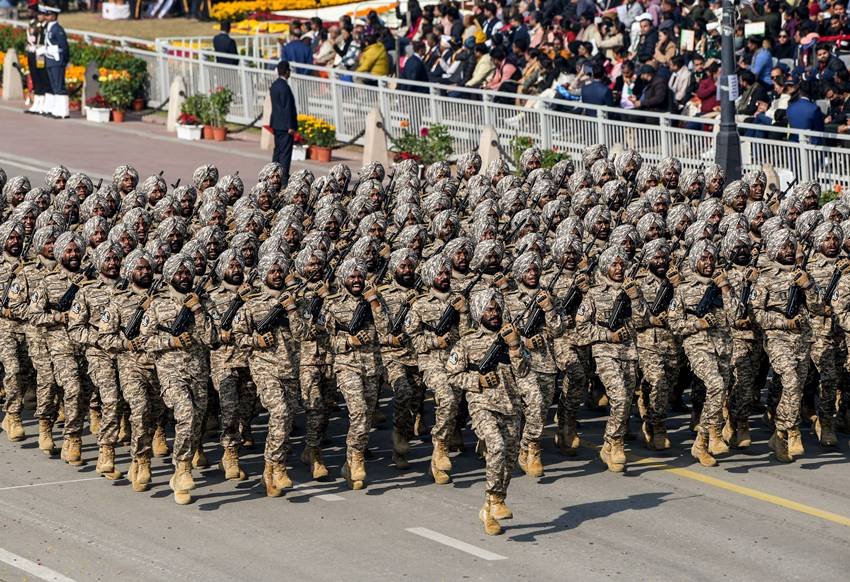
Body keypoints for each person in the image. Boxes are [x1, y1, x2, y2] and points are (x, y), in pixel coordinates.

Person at [269, 61, 298, 189]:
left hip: (276, 123)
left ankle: (273, 173)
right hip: (286, 126)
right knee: (285, 153)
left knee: (277, 151)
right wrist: (291, 125)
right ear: (286, 71)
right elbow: (287, 108)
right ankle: (283, 178)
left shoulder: (274, 85)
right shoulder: (285, 87)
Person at [40, 2, 69, 119]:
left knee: (59, 86)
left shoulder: (58, 29)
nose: (46, 17)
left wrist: (64, 60)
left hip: (57, 61)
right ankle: (56, 109)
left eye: (48, 15)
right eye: (46, 15)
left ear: (54, 16)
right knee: (53, 85)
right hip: (49, 60)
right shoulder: (49, 28)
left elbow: (64, 47)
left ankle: (63, 111)